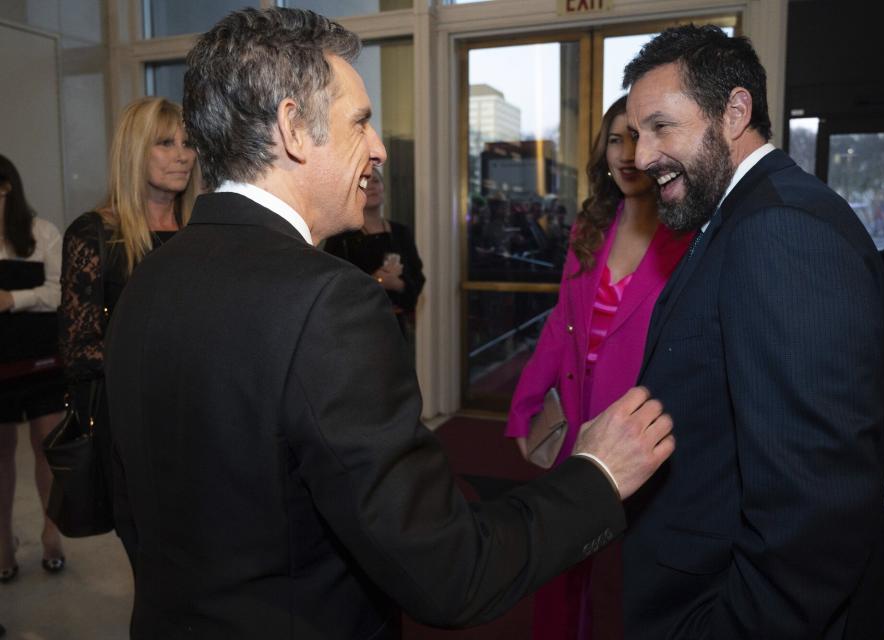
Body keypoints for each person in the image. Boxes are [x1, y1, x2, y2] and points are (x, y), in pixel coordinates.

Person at [103, 8, 675, 639]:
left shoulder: (148, 279)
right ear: (293, 128)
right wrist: (597, 474)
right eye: (360, 122)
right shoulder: (327, 303)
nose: (378, 147)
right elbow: (452, 571)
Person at [620, 24, 884, 638]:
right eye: (639, 134)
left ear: (735, 111)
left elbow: (813, 508)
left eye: (661, 126)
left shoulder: (781, 231)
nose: (640, 157)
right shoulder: (737, 220)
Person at [505, 96, 692, 639]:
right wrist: (525, 408)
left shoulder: (686, 233)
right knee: (565, 557)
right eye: (616, 139)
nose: (629, 153)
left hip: (639, 422)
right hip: (578, 416)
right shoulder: (590, 228)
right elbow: (558, 327)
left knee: (628, 570)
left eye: (639, 137)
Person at [59, 96, 196, 540]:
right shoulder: (94, 233)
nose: (182, 155)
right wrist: (159, 360)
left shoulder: (201, 233)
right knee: (155, 564)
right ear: (135, 152)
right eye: (165, 143)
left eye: (188, 143)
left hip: (201, 418)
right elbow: (78, 350)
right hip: (133, 428)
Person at [0, 154, 66, 581]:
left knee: (50, 452)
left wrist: (12, 299)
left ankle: (52, 533)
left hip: (43, 362)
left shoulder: (42, 233)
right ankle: (3, 542)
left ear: (9, 189)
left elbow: (59, 292)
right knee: (1, 457)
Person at [324, 166, 425, 339]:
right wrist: (377, 281)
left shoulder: (401, 232)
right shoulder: (341, 238)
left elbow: (417, 278)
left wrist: (398, 284)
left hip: (396, 329)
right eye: (365, 182)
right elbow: (334, 289)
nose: (371, 186)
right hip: (358, 331)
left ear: (383, 188)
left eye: (376, 181)